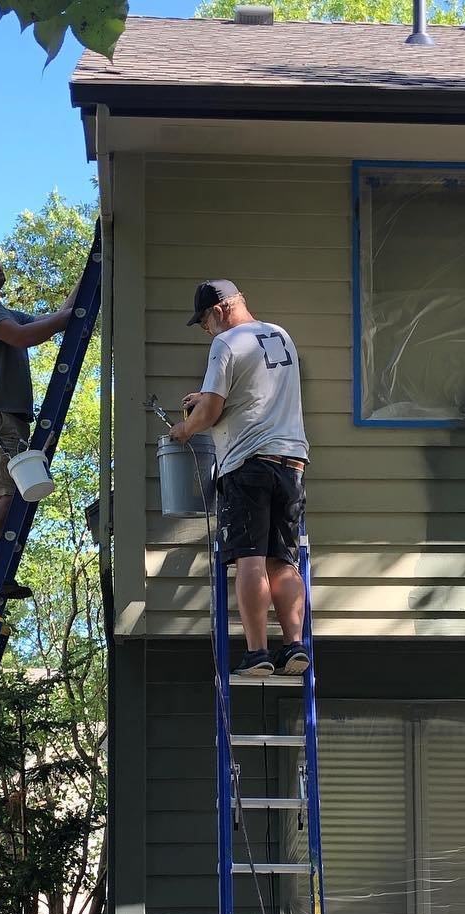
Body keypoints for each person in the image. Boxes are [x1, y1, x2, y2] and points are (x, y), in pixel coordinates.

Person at [168, 280, 310, 678]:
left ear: (220, 310)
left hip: (248, 465)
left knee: (250, 559)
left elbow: (211, 413)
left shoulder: (226, 343)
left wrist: (186, 428)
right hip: (292, 463)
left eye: (204, 322)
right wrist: (208, 401)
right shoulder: (280, 336)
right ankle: (294, 646)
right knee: (282, 560)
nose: (206, 331)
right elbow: (253, 396)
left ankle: (257, 652)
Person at [0, 240, 77, 596]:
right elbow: (23, 337)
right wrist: (70, 317)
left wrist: (80, 288)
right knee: (12, 491)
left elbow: (49, 321)